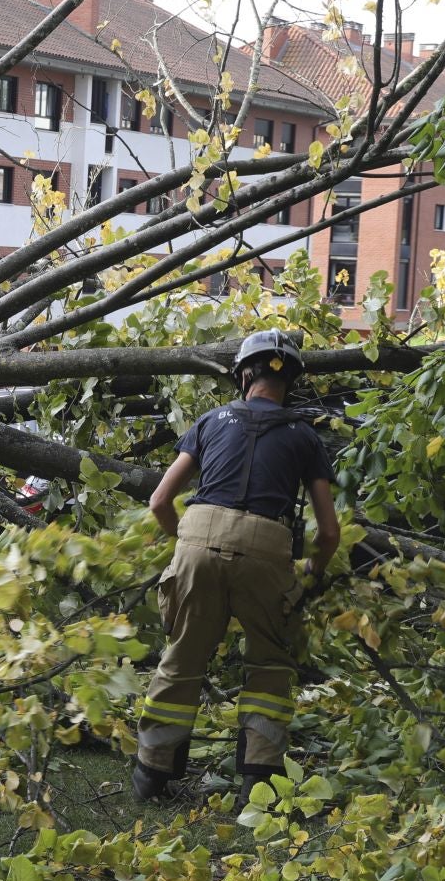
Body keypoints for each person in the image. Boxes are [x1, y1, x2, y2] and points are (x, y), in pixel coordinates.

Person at [132, 329, 339, 808]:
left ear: (245, 374)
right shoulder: (305, 436)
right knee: (269, 664)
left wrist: (189, 545)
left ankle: (150, 778)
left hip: (198, 535)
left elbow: (160, 500)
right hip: (269, 547)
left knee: (182, 658)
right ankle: (258, 786)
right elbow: (329, 533)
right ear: (292, 383)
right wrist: (311, 572)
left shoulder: (209, 420)